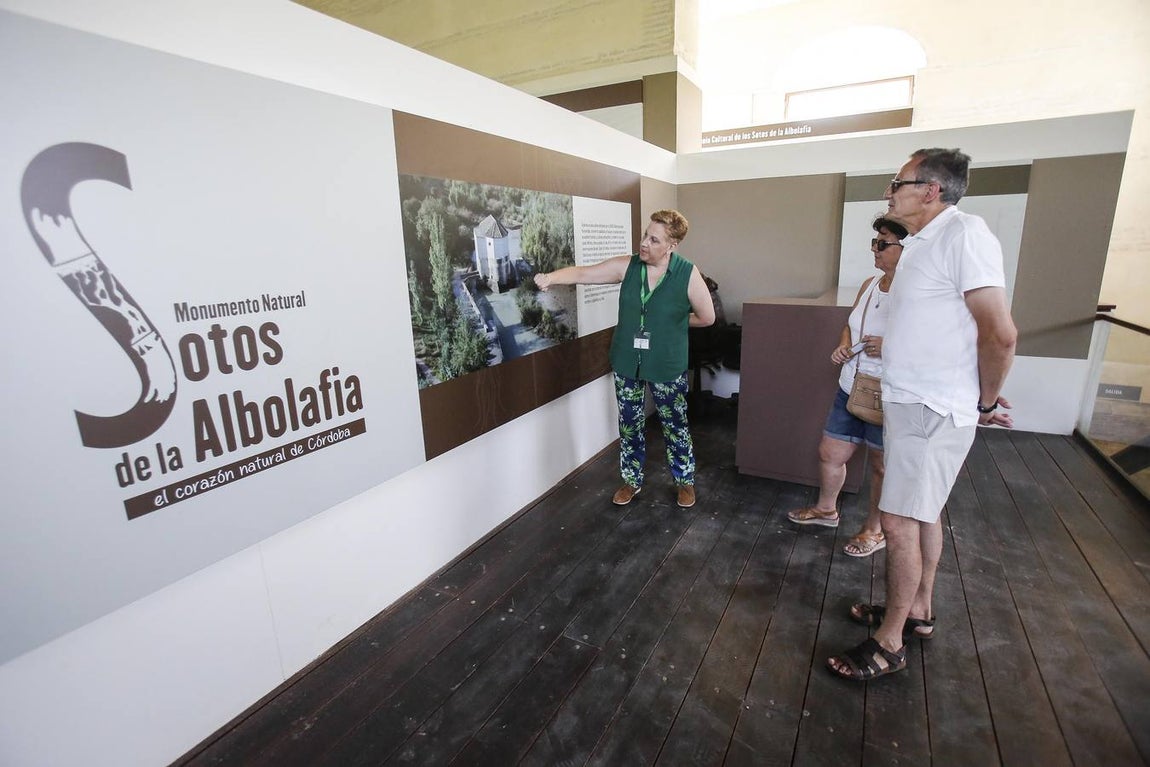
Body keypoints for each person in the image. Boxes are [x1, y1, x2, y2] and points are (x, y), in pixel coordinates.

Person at [827, 148, 1017, 681]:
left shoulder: (965, 235)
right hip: (915, 400)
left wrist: (982, 400)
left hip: (931, 407)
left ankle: (889, 642)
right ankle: (916, 611)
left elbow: (1000, 333)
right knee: (923, 512)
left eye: (898, 182)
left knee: (899, 521)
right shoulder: (921, 246)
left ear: (930, 190)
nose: (890, 191)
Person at [534, 209, 716, 508]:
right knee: (630, 423)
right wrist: (551, 278)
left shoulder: (687, 273)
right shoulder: (628, 266)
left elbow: (707, 318)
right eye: (645, 234)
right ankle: (631, 480)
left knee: (675, 424)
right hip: (627, 360)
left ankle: (684, 481)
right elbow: (584, 273)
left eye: (654, 239)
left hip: (666, 364)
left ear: (671, 246)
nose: (644, 242)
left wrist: (671, 323)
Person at [787, 215, 908, 558]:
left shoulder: (917, 292)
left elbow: (933, 342)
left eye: (883, 243)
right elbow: (851, 323)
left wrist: (890, 346)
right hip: (851, 385)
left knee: (882, 465)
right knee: (830, 452)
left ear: (906, 248)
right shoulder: (871, 283)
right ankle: (827, 510)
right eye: (874, 242)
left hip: (888, 392)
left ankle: (876, 529)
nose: (875, 249)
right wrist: (844, 345)